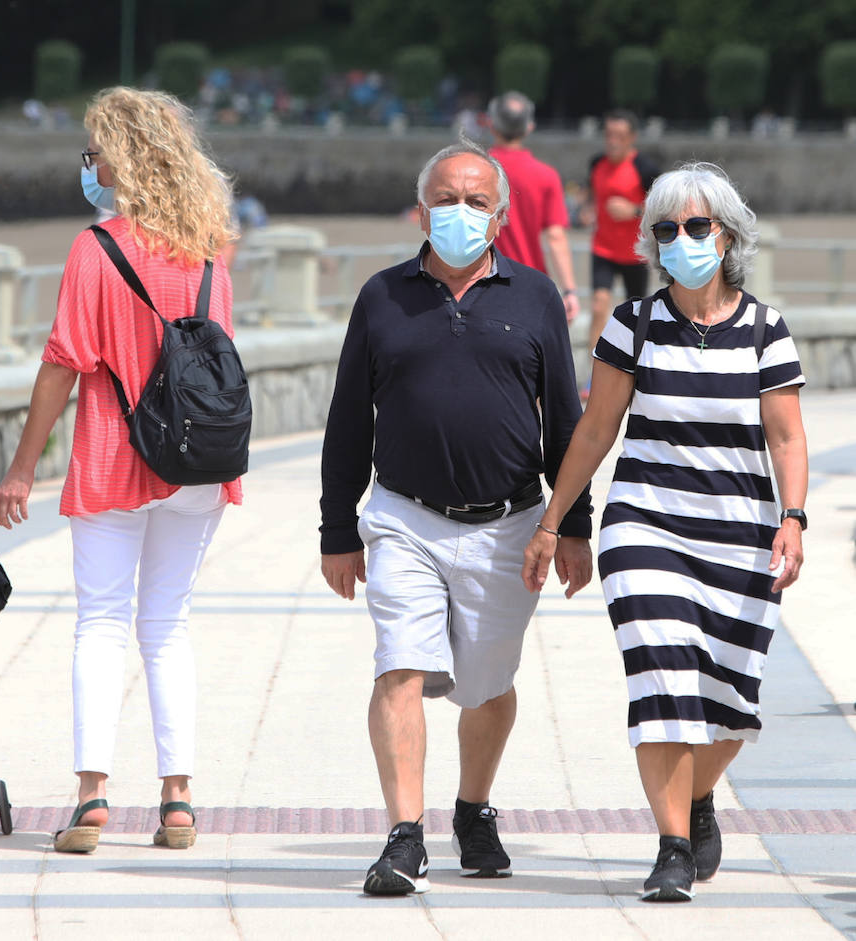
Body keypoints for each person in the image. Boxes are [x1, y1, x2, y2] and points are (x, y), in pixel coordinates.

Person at [523, 162, 808, 903]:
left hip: (740, 534)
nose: (679, 240)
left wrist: (794, 517)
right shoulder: (633, 322)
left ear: (729, 233)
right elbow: (595, 430)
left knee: (728, 704)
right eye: (666, 229)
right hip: (645, 527)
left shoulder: (765, 330)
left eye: (695, 226)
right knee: (663, 680)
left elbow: (786, 437)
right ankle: (673, 845)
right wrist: (555, 522)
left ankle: (699, 798)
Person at [319, 138, 593, 896]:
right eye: (446, 198)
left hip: (510, 526)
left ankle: (473, 807)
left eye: (476, 201)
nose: (460, 212)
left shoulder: (535, 297)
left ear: (501, 217)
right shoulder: (382, 296)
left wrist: (573, 526)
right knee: (399, 666)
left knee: (486, 684)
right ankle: (405, 836)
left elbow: (566, 421)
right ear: (421, 209)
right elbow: (348, 421)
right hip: (404, 517)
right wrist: (336, 530)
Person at [0, 86, 239, 854]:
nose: (87, 166)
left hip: (112, 457)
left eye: (93, 153)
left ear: (122, 161)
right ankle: (178, 800)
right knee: (167, 625)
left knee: (101, 622)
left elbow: (63, 365)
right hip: (196, 466)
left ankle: (93, 796)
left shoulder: (95, 249)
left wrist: (21, 469)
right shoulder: (207, 250)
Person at [486, 91, 580, 320]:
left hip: (481, 284)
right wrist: (569, 291)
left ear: (491, 125)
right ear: (529, 127)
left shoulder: (477, 170)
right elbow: (556, 237)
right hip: (530, 284)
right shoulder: (546, 175)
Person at [587, 110, 659, 352]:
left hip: (635, 252)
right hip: (603, 248)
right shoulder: (596, 163)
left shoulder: (645, 168)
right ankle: (593, 372)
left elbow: (664, 207)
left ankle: (634, 365)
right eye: (608, 135)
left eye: (619, 135)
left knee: (636, 313)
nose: (612, 141)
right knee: (599, 305)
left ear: (632, 138)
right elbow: (592, 194)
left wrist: (634, 211)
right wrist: (587, 209)